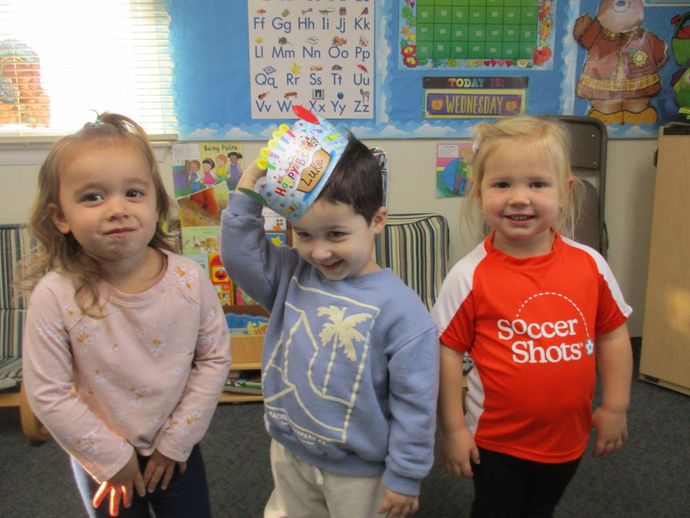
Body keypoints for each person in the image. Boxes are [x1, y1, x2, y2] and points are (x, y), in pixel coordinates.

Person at [19, 113, 231, 518]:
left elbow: (214, 357)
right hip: (101, 454)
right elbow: (47, 391)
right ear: (60, 217)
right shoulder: (56, 294)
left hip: (176, 449)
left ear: (156, 204)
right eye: (93, 197)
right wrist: (111, 458)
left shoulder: (188, 279)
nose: (117, 209)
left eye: (133, 193)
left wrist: (177, 441)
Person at [221, 134, 439, 518]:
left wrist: (405, 475)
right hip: (291, 449)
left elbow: (416, 404)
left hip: (359, 471)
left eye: (336, 234)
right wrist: (246, 188)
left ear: (377, 220)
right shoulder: (291, 275)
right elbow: (241, 257)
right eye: (303, 234)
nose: (319, 252)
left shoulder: (404, 313)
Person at [432, 116, 633, 518]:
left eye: (538, 184)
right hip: (496, 441)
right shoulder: (469, 275)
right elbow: (447, 353)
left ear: (565, 193)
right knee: (496, 510)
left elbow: (612, 335)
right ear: (479, 192)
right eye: (502, 184)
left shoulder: (590, 265)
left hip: (567, 437)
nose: (519, 198)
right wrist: (453, 430)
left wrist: (615, 407)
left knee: (541, 508)